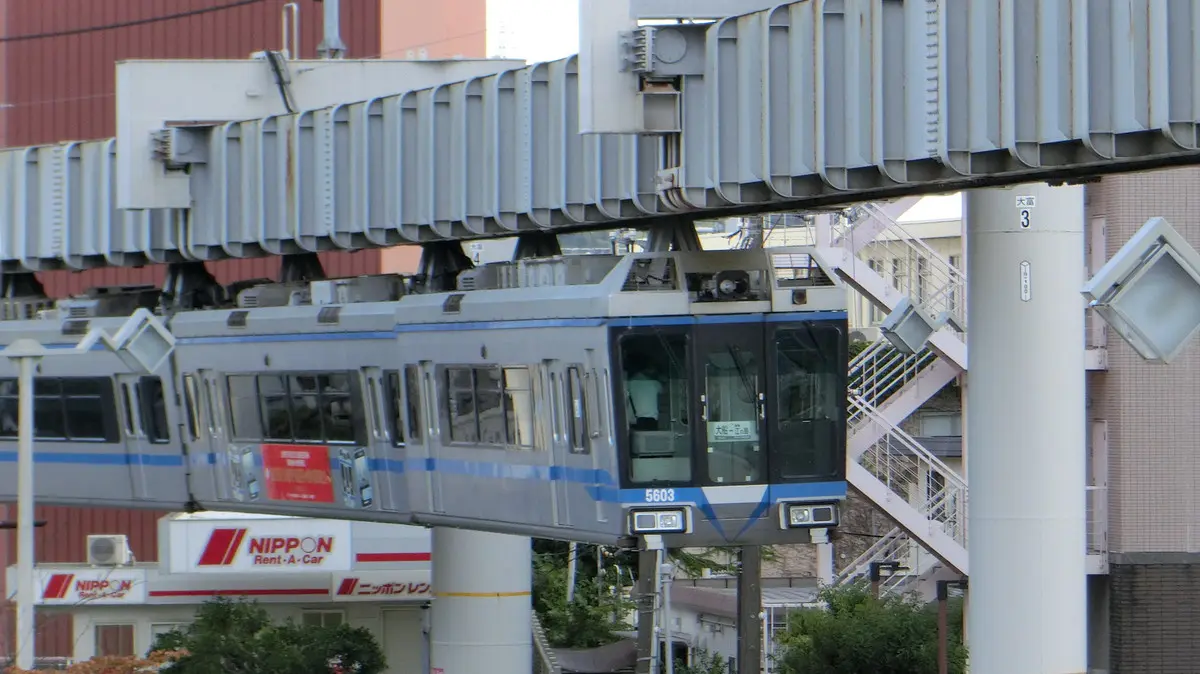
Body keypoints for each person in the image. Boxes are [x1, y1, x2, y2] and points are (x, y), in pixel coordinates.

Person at [625, 357, 664, 431]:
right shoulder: (655, 384)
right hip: (651, 421)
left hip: (633, 421)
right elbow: (662, 390)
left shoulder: (627, 384)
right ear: (646, 369)